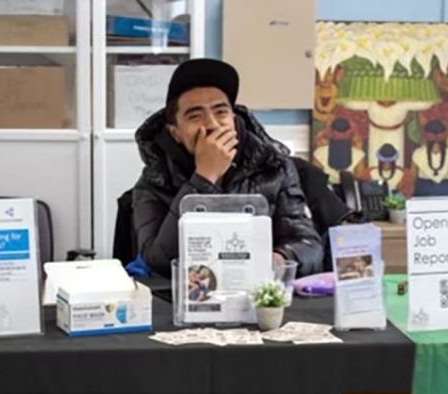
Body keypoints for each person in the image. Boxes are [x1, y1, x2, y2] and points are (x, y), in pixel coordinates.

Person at [132, 58, 324, 277]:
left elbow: (309, 245)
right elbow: (160, 262)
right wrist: (204, 178)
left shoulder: (273, 166)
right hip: (190, 299)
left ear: (233, 117)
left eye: (221, 112)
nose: (212, 124)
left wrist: (278, 259)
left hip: (261, 298)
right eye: (195, 115)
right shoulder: (155, 180)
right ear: (175, 132)